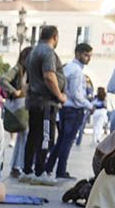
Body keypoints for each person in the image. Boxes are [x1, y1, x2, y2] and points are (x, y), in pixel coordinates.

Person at [24, 25, 68, 185]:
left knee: (33, 135)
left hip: (34, 101)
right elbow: (49, 76)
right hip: (46, 102)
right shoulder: (48, 52)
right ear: (55, 37)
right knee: (45, 137)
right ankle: (40, 171)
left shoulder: (33, 52)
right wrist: (60, 95)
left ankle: (27, 170)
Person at [44, 42, 93, 181]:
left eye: (90, 55)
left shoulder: (67, 67)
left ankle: (49, 167)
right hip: (74, 110)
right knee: (67, 141)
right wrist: (89, 106)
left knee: (61, 140)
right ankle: (61, 170)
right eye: (85, 55)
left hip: (64, 108)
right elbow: (77, 94)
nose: (88, 58)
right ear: (78, 54)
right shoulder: (77, 71)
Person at [5, 47, 32, 178]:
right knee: (24, 136)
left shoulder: (26, 71)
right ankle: (18, 165)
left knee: (24, 137)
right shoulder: (18, 69)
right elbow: (3, 80)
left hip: (24, 106)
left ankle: (17, 165)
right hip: (20, 106)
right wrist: (14, 91)